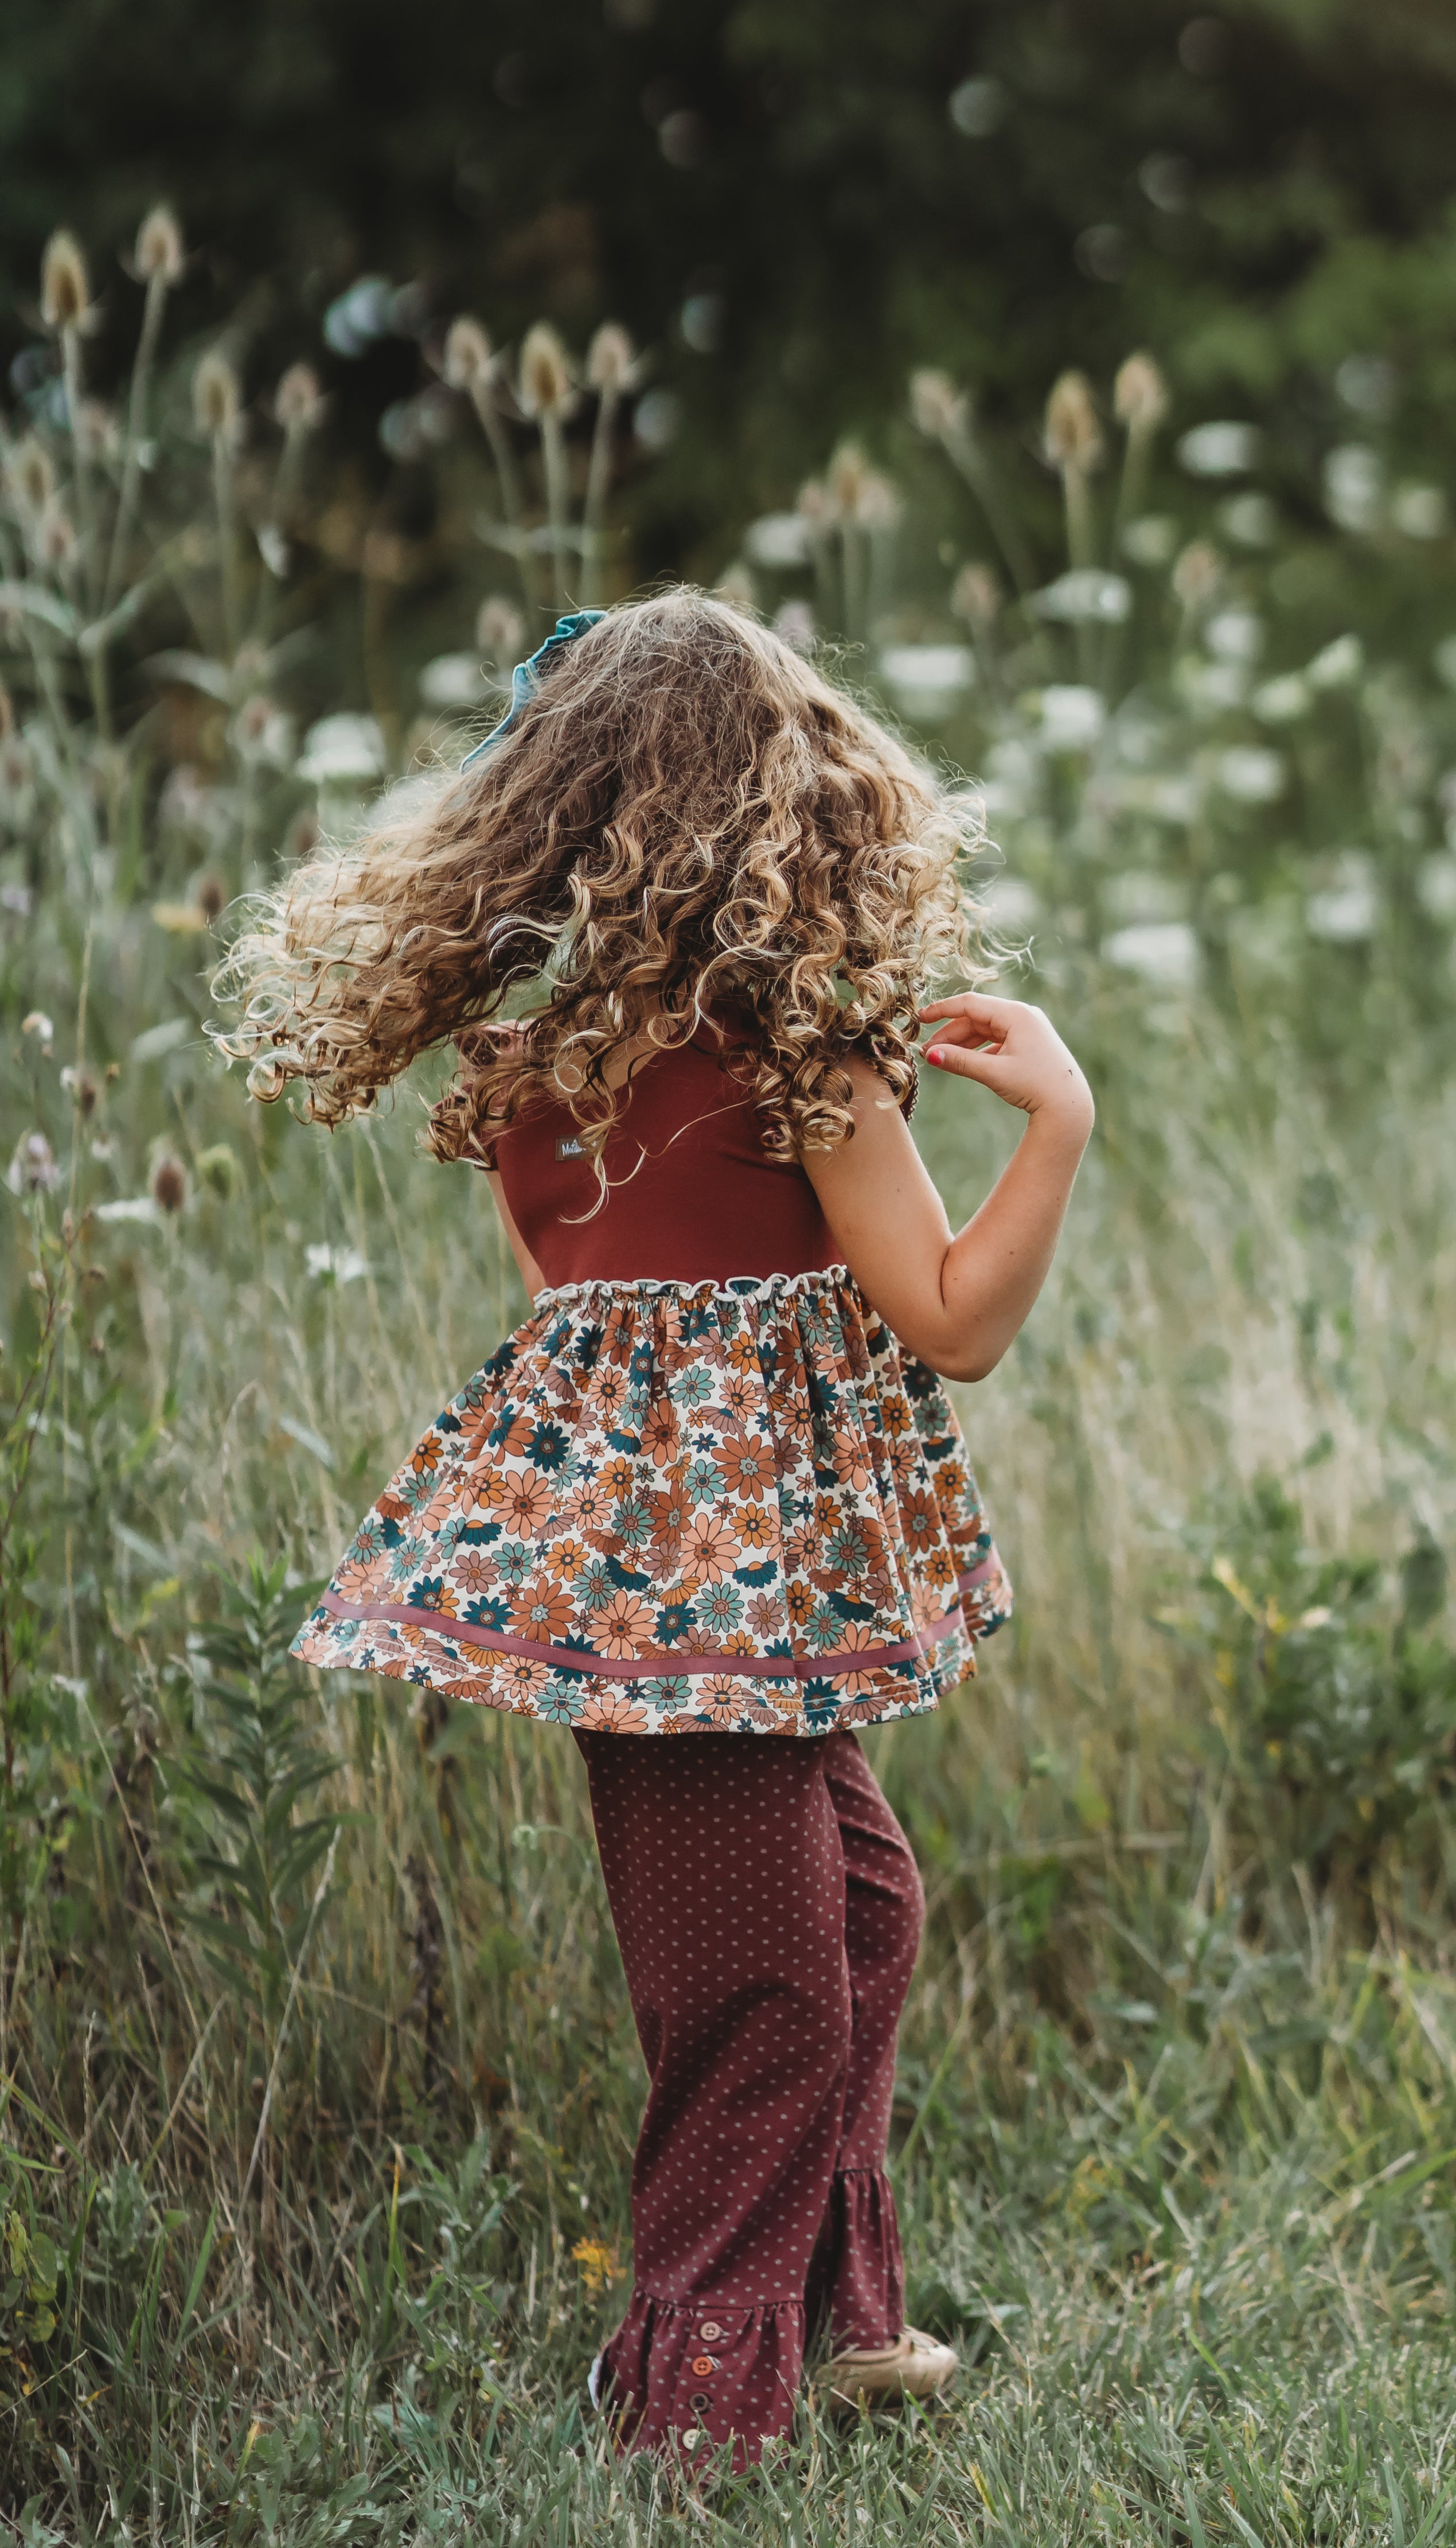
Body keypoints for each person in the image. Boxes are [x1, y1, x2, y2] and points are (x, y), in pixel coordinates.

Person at [218, 591, 1093, 2469]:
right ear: (795, 806)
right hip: (716, 1600)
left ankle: (838, 2319)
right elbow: (953, 1320)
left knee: (859, 1906)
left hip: (664, 1592)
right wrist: (1056, 1126)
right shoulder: (809, 1060)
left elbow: (579, 1312)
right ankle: (685, 2415)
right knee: (759, 1986)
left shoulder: (544, 1080)